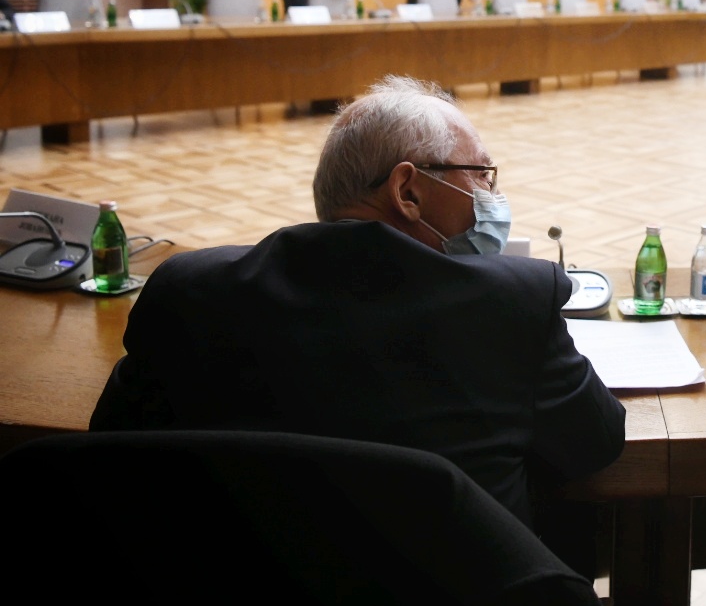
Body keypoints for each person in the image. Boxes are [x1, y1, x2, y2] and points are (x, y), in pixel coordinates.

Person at [90, 76, 627, 540]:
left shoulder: (188, 289)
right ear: (407, 191)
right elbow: (594, 445)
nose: (492, 195)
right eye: (480, 175)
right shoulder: (513, 300)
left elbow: (113, 451)